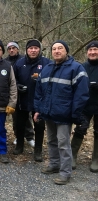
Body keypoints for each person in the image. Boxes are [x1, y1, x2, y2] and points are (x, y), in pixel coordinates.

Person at [34, 40, 89, 185]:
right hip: (49, 113)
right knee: (51, 141)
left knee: (63, 143)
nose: (57, 51)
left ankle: (65, 172)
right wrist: (38, 109)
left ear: (66, 51)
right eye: (54, 49)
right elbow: (39, 91)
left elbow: (82, 94)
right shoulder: (47, 68)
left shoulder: (76, 68)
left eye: (60, 48)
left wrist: (74, 113)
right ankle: (54, 164)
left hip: (64, 115)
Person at [13, 39, 51, 162]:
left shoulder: (46, 63)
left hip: (39, 100)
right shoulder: (19, 63)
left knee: (39, 126)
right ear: (27, 50)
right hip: (22, 99)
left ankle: (38, 150)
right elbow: (13, 80)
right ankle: (19, 146)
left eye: (35, 48)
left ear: (39, 49)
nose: (33, 50)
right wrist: (18, 86)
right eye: (31, 48)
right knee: (20, 125)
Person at [71, 41, 98, 172]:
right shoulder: (81, 67)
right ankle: (72, 156)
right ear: (87, 52)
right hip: (85, 105)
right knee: (81, 129)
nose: (93, 52)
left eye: (95, 50)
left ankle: (96, 159)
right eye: (90, 50)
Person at [5, 41, 35, 147]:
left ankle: (30, 136)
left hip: (25, 92)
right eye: (9, 48)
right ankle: (18, 136)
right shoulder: (5, 62)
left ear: (18, 49)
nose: (12, 50)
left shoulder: (24, 60)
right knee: (16, 117)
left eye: (14, 48)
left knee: (27, 117)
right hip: (11, 93)